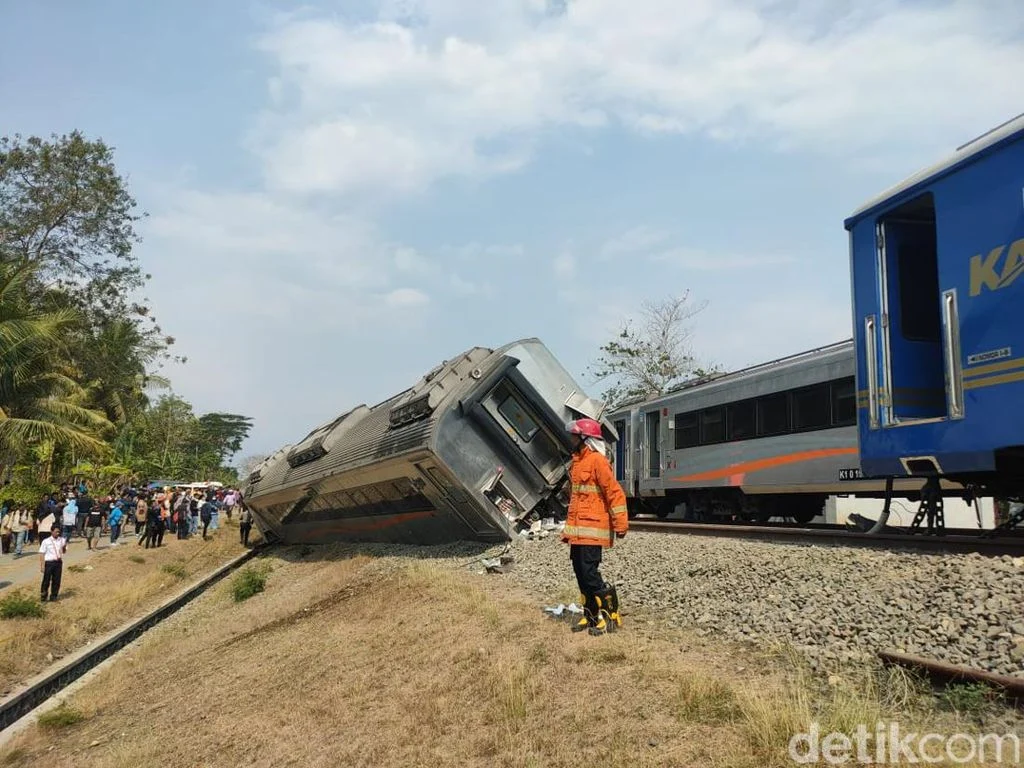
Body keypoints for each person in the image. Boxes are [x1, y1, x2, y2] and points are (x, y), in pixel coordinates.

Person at [561, 418, 629, 636]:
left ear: (585, 438)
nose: (571, 438)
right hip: (579, 532)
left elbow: (614, 492)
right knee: (581, 573)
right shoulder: (578, 461)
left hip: (592, 531)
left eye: (574, 435)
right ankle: (590, 616)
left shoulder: (597, 461)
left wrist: (621, 524)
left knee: (590, 575)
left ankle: (610, 616)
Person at [39, 523, 67, 602]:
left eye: (59, 532)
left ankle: (54, 596)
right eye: (56, 532)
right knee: (46, 580)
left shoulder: (62, 540)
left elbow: (64, 551)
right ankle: (43, 596)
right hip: (49, 563)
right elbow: (42, 553)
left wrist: (64, 547)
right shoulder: (46, 541)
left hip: (58, 562)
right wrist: (42, 566)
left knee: (57, 580)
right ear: (51, 531)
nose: (57, 533)